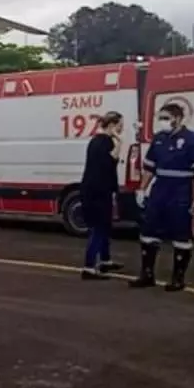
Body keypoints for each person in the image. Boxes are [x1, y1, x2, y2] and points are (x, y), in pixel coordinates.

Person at [130, 102, 194, 292]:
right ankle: (146, 274)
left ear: (178, 119)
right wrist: (142, 189)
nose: (163, 122)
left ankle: (178, 278)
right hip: (160, 188)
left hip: (182, 189)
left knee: (181, 233)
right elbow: (149, 168)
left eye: (166, 118)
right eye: (161, 118)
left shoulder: (192, 140)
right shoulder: (159, 139)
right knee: (148, 230)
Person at [79, 111, 126, 280]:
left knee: (105, 226)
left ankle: (105, 260)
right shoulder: (104, 142)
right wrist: (119, 142)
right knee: (98, 228)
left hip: (98, 190)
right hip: (97, 192)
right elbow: (110, 162)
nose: (122, 128)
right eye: (120, 125)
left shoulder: (97, 141)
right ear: (112, 126)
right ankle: (89, 267)